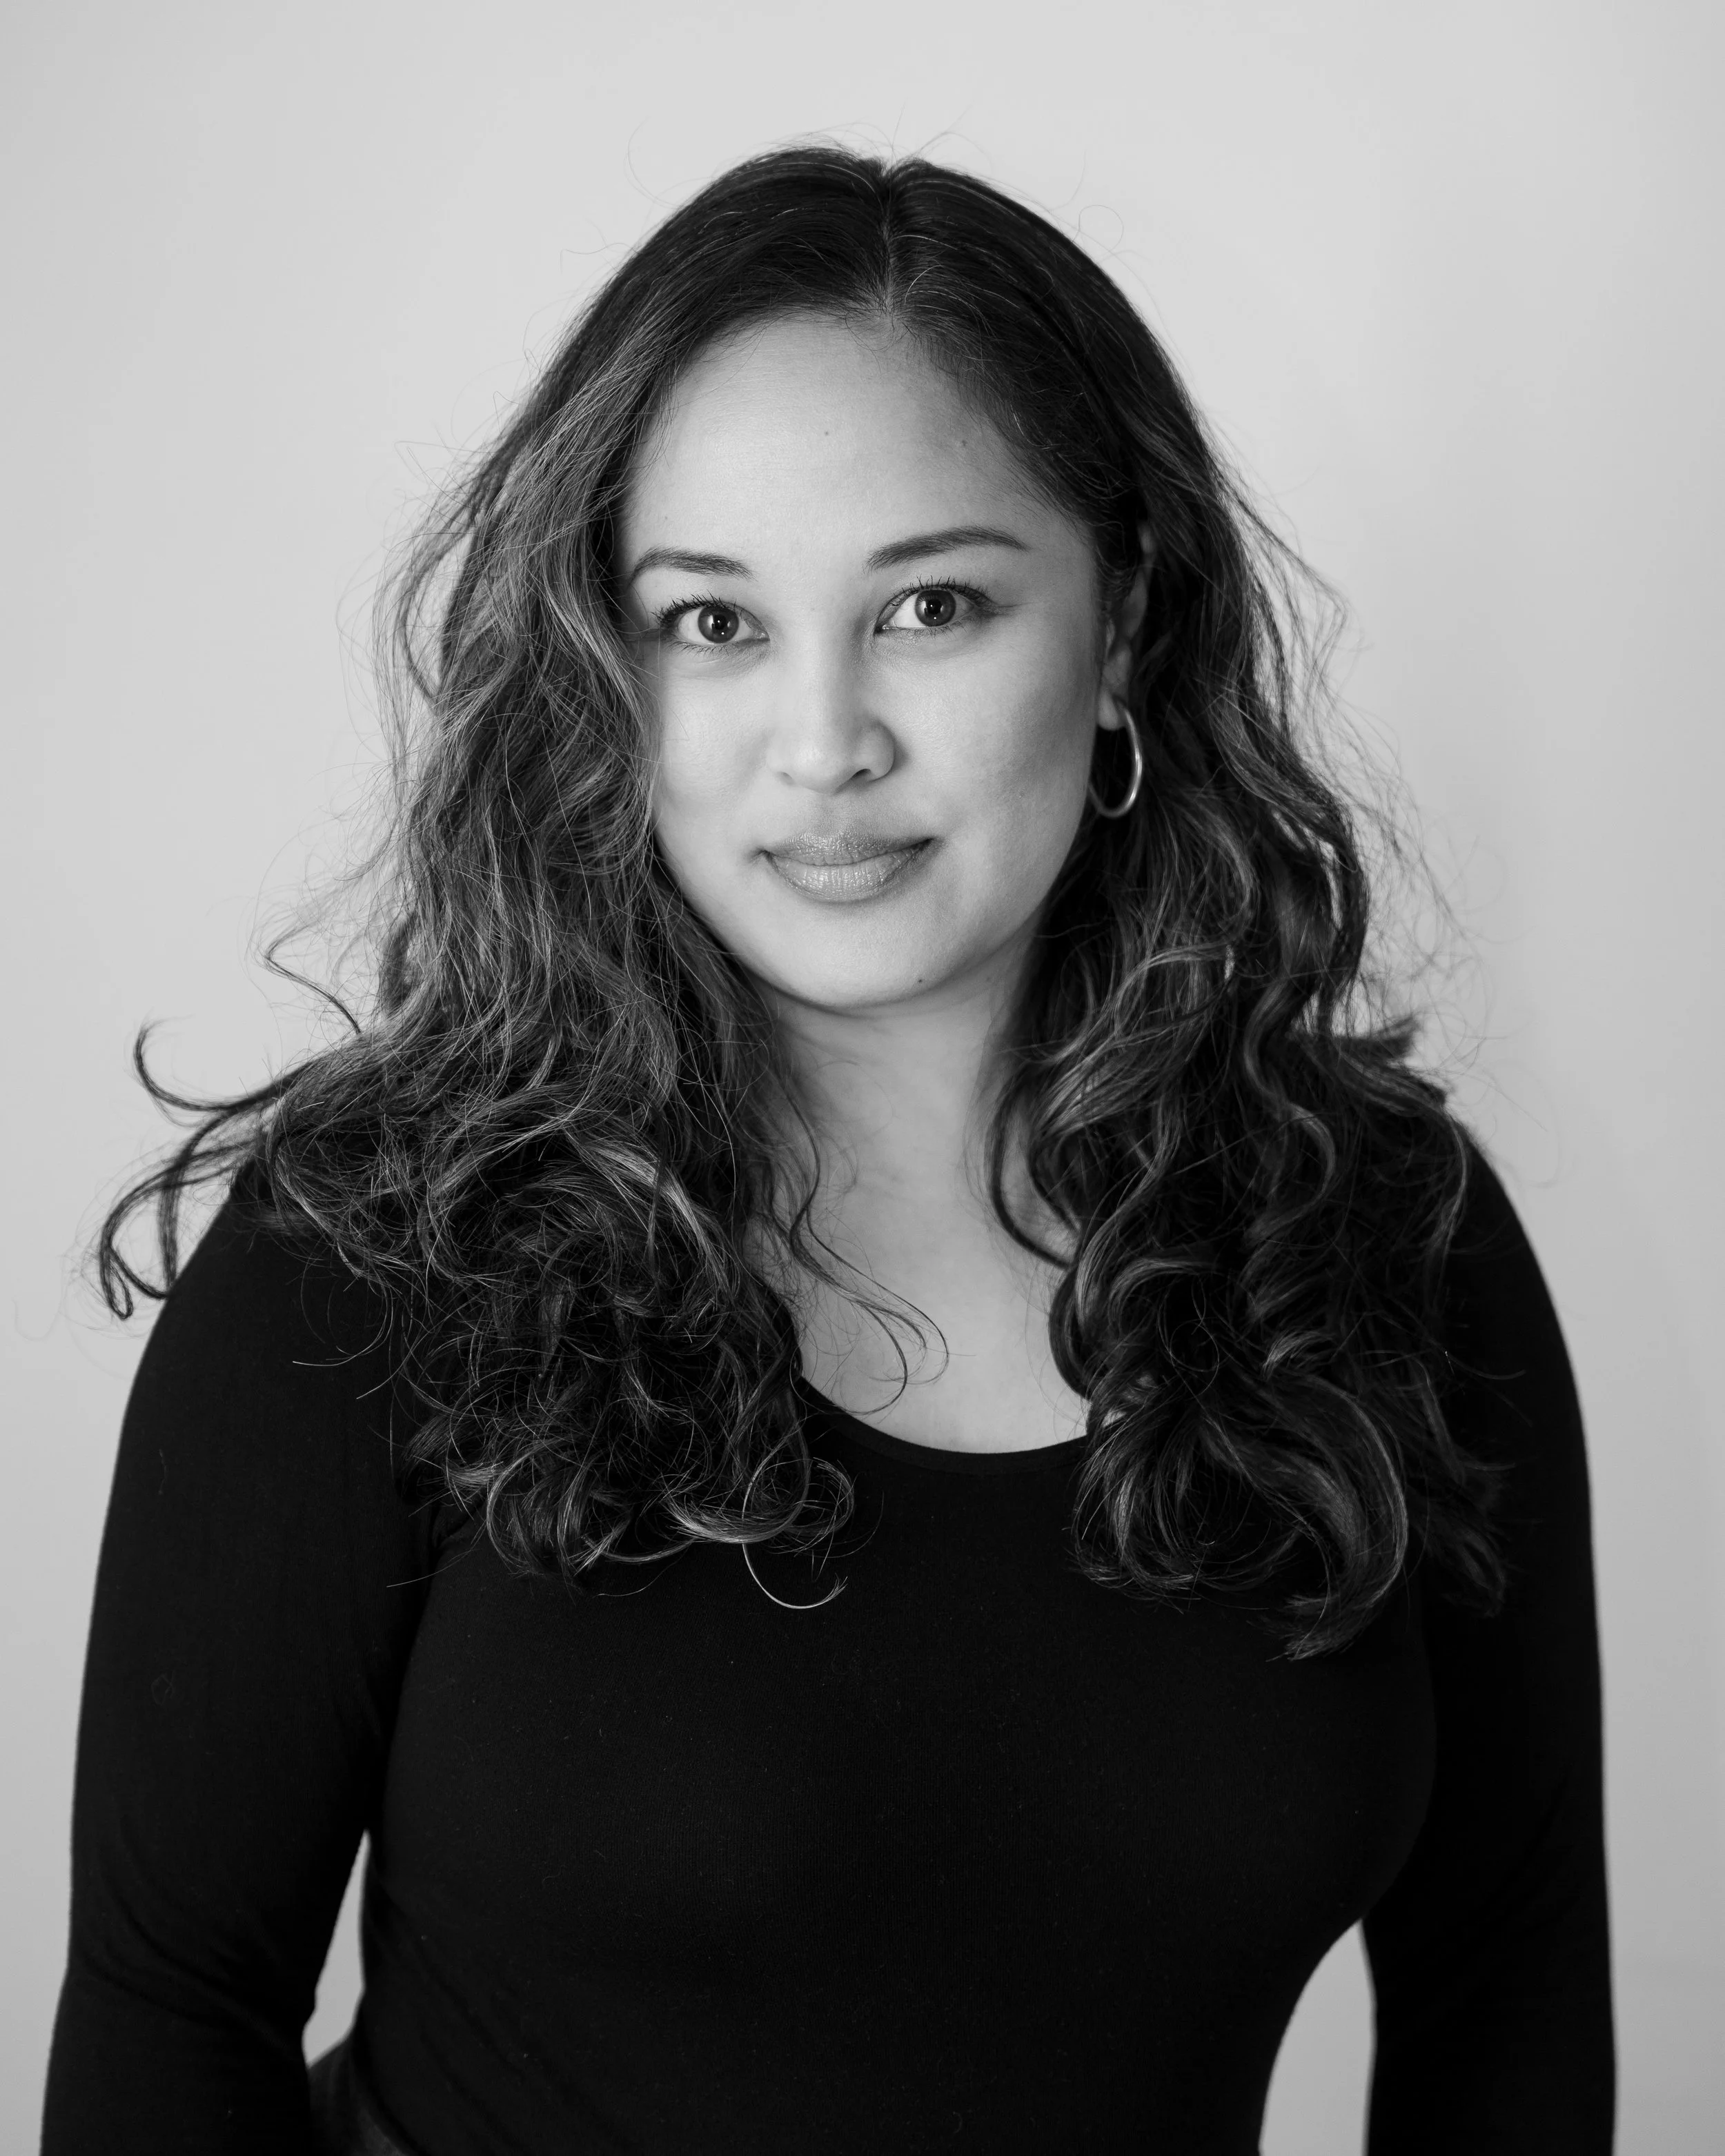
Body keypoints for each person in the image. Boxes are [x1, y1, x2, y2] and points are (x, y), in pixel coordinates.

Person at [42, 146, 1613, 2155]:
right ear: (607, 670)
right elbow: (172, 2022)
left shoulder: (1382, 1235)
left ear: (1125, 615)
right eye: (710, 621)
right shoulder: (373, 1250)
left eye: (932, 606)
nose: (822, 740)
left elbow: (1505, 2012)